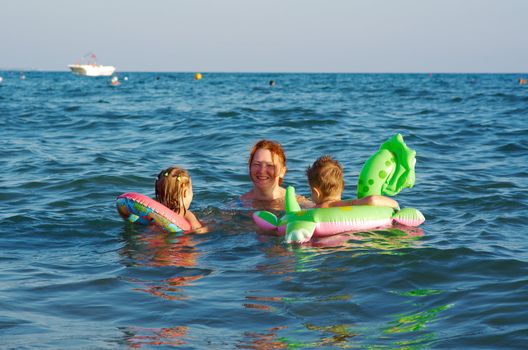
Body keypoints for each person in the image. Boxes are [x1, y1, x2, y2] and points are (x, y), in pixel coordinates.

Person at [240, 140, 313, 210]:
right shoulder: (239, 204)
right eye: (257, 164)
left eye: (270, 165)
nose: (262, 171)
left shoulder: (299, 203)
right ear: (250, 167)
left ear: (282, 171)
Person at [306, 155, 399, 209]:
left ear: (316, 192)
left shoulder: (320, 208)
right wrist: (395, 204)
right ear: (343, 186)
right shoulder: (345, 204)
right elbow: (372, 200)